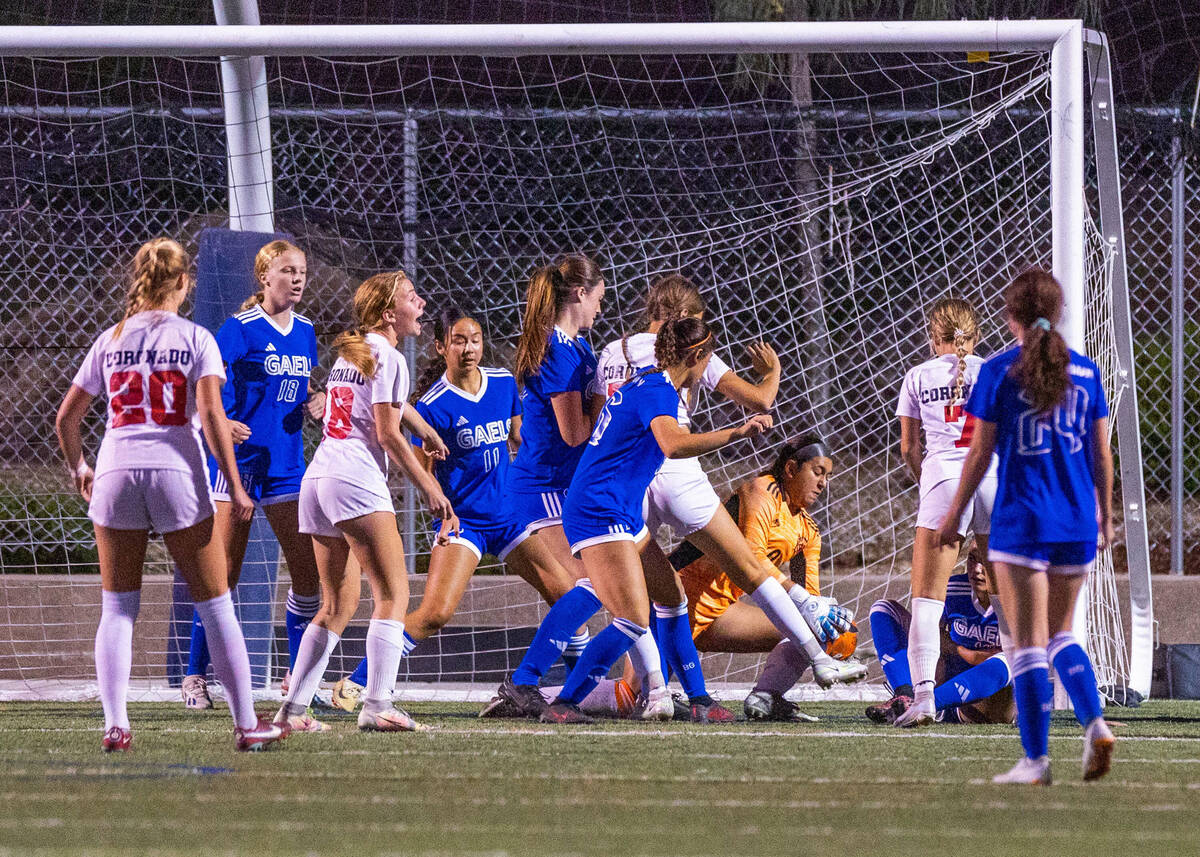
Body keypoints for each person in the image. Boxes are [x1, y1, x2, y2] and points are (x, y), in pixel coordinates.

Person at [55, 237, 287, 752]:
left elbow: (67, 417)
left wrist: (79, 466)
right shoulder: (195, 337)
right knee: (216, 605)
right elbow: (209, 416)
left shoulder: (110, 339)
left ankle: (116, 725)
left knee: (117, 607)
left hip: (116, 470)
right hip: (175, 471)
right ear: (185, 282)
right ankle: (247, 724)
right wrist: (236, 484)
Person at [327, 307, 577, 710]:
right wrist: (442, 516)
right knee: (434, 613)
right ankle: (355, 685)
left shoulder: (501, 383)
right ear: (441, 346)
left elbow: (519, 438)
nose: (469, 348)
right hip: (465, 523)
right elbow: (422, 474)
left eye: (475, 339)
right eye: (458, 340)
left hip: (510, 518)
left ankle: (570, 688)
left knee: (567, 598)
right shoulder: (430, 406)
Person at [537, 316, 772, 723]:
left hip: (618, 507)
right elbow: (673, 443)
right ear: (697, 356)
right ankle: (564, 703)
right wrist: (736, 433)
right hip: (600, 509)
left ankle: (695, 700)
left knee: (672, 594)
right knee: (630, 617)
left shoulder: (648, 382)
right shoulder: (661, 392)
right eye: (710, 356)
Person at [935, 269, 1115, 785]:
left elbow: (980, 452)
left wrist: (954, 515)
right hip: (1077, 517)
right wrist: (1103, 512)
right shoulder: (1085, 372)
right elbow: (1102, 453)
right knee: (1062, 634)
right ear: (1059, 314)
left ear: (1009, 317)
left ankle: (1036, 761)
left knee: (1026, 643)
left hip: (1022, 519)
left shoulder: (998, 372)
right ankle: (1094, 722)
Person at [592, 273, 784, 721]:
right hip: (666, 475)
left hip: (614, 482)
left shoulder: (611, 352)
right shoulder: (684, 360)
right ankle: (552, 690)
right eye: (698, 324)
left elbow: (594, 427)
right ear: (685, 324)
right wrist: (772, 372)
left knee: (635, 596)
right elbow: (759, 401)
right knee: (732, 574)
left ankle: (654, 692)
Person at [273, 270, 457, 734]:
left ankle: (293, 711)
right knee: (393, 594)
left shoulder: (358, 353)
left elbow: (382, 405)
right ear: (389, 313)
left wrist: (422, 426)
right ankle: (377, 704)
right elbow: (385, 433)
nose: (422, 303)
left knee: (337, 602)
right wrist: (431, 489)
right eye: (414, 298)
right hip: (354, 479)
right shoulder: (390, 358)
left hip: (319, 479)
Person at [182, 240, 324, 711]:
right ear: (265, 277)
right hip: (235, 469)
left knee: (308, 577)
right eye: (287, 270)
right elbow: (206, 392)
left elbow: (298, 390)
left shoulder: (305, 331)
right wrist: (221, 422)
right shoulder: (239, 329)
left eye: (301, 270)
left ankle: (299, 678)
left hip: (285, 468)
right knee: (223, 577)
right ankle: (195, 678)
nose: (298, 278)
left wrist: (314, 401)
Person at [670, 436, 863, 723]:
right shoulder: (762, 490)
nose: (824, 484)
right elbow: (752, 557)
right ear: (790, 469)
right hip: (673, 602)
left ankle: (767, 696)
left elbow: (811, 601)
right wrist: (802, 599)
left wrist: (836, 641)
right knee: (633, 700)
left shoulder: (808, 531)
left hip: (720, 617)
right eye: (817, 472)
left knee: (828, 630)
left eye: (828, 476)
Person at [891, 297, 999, 728]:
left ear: (933, 337)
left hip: (944, 479)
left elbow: (907, 447)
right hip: (991, 478)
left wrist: (930, 483)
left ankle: (922, 699)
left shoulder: (917, 375)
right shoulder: (994, 371)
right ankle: (1029, 689)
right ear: (976, 337)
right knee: (1008, 600)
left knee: (926, 600)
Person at [866, 547, 1014, 725]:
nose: (976, 569)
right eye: (972, 559)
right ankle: (906, 696)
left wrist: (968, 653)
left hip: (987, 702)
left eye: (985, 561)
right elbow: (931, 634)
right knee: (883, 609)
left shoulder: (1020, 597)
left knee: (1011, 659)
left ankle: (927, 705)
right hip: (947, 679)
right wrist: (961, 651)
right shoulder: (954, 588)